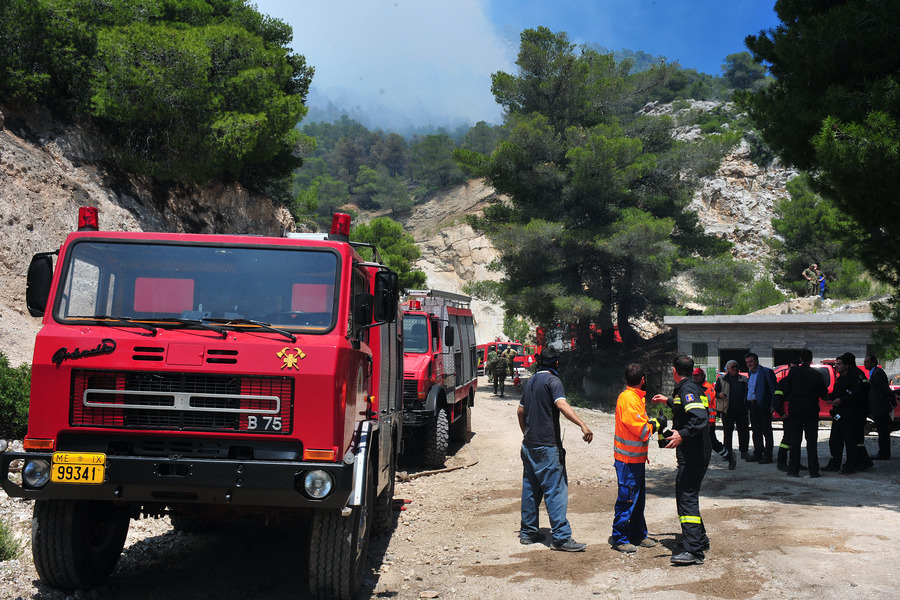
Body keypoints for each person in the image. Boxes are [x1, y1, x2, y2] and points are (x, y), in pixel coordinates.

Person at [517, 348, 593, 551]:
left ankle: (528, 532)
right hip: (547, 446)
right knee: (555, 489)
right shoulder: (553, 382)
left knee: (531, 489)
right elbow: (561, 405)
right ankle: (560, 537)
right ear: (556, 363)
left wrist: (526, 433)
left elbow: (520, 410)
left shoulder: (530, 381)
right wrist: (582, 425)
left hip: (529, 445)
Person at [652, 355, 711, 566]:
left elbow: (700, 418)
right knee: (687, 494)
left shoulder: (687, 389)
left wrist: (682, 434)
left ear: (674, 371)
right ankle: (699, 540)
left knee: (686, 498)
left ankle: (694, 552)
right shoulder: (690, 387)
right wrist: (667, 401)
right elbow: (687, 408)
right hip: (696, 452)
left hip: (694, 453)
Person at [612, 363, 665, 553]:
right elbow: (642, 430)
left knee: (637, 499)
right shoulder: (629, 400)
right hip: (627, 461)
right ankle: (621, 538)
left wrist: (653, 423)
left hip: (635, 460)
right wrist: (657, 424)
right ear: (643, 380)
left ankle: (638, 533)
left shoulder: (634, 398)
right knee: (627, 499)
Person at [774, 349, 827, 477]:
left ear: (800, 359)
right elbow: (824, 394)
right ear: (811, 359)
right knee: (812, 441)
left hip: (795, 410)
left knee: (795, 440)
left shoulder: (793, 373)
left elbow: (786, 390)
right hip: (811, 410)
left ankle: (793, 470)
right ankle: (813, 471)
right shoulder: (817, 374)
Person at [823, 353, 870, 474]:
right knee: (835, 440)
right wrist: (828, 396)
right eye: (835, 364)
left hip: (852, 414)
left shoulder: (855, 376)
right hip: (839, 414)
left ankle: (851, 465)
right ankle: (835, 463)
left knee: (851, 441)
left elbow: (858, 394)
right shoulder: (841, 377)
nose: (836, 366)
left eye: (839, 364)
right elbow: (838, 392)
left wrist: (842, 400)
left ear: (847, 365)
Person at [693, 367, 736, 470]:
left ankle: (729, 456)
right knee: (697, 441)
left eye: (697, 376)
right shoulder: (697, 386)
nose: (695, 378)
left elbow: (706, 401)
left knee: (712, 442)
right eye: (693, 376)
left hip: (708, 421)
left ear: (702, 375)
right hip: (700, 420)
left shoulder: (707, 387)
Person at [745, 352, 778, 464]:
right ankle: (758, 453)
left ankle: (768, 456)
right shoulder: (750, 374)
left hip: (764, 406)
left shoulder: (766, 372)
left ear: (756, 361)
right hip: (753, 405)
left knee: (766, 431)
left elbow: (773, 390)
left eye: (751, 361)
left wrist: (773, 405)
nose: (749, 364)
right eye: (747, 362)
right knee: (756, 431)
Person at [715, 360, 750, 460]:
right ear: (728, 369)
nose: (735, 369)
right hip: (727, 410)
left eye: (736, 366)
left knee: (744, 432)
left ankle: (744, 451)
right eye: (733, 367)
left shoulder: (744, 379)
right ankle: (727, 452)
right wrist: (719, 395)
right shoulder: (722, 379)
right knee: (727, 432)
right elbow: (715, 392)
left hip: (742, 410)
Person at [864, 354, 894, 460]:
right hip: (877, 406)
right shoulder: (874, 373)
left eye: (867, 362)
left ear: (873, 363)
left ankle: (884, 453)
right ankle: (883, 452)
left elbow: (884, 389)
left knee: (883, 432)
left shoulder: (877, 373)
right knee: (882, 431)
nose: (865, 364)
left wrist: (890, 402)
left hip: (880, 407)